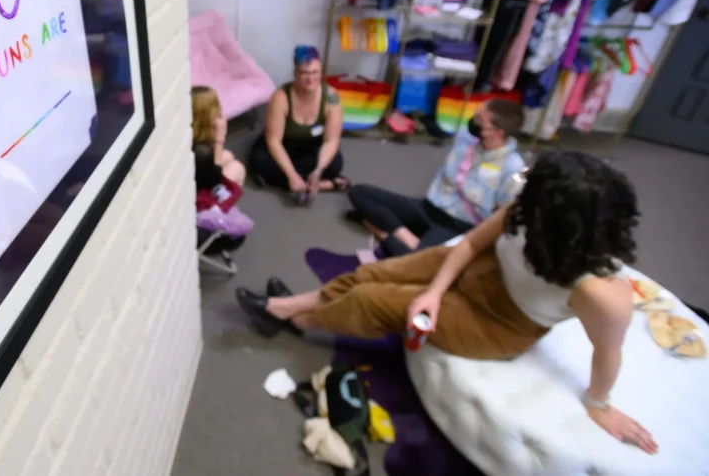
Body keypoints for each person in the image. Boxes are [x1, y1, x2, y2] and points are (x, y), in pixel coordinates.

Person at [236, 151, 657, 454]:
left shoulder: (600, 291)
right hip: (484, 265)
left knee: (369, 300)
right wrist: (434, 292)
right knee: (373, 274)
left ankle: (299, 316)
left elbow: (608, 350)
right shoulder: (529, 207)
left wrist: (599, 404)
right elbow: (471, 243)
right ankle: (291, 308)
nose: (521, 185)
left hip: (502, 322)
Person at [348, 99, 526, 259]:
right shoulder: (466, 137)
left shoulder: (513, 167)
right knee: (359, 193)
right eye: (477, 114)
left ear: (498, 133)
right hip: (428, 208)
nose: (474, 120)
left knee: (416, 266)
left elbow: (502, 215)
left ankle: (382, 231)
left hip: (457, 226)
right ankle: (407, 237)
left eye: (480, 119)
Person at [249, 45, 348, 204]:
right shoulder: (280, 97)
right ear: (295, 73)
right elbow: (273, 141)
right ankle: (325, 184)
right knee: (260, 160)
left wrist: (318, 170)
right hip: (284, 144)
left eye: (315, 72)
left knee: (335, 163)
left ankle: (305, 182)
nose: (310, 78)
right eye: (304, 73)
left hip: (312, 146)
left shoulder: (331, 97)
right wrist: (291, 175)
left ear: (321, 73)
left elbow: (332, 140)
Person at [192, 85, 245, 186]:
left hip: (200, 173)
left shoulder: (192, 135)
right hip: (203, 187)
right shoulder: (201, 151)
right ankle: (226, 196)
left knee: (228, 155)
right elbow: (214, 180)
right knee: (237, 168)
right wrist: (219, 139)